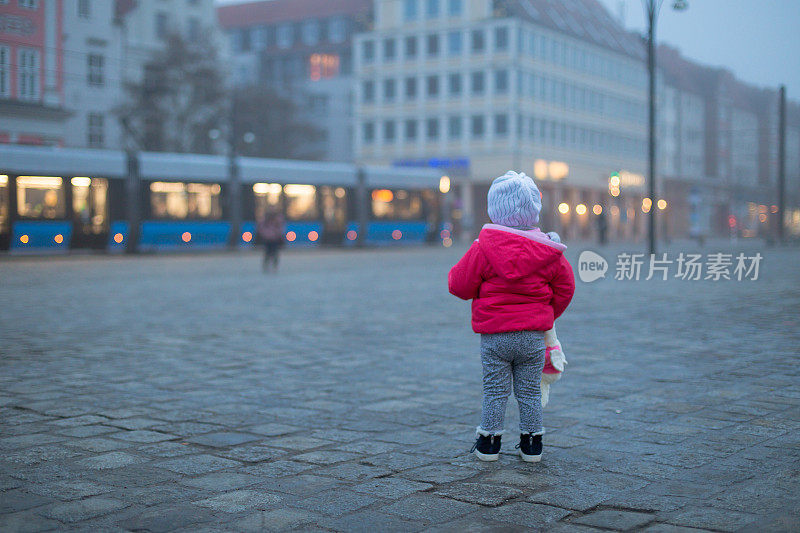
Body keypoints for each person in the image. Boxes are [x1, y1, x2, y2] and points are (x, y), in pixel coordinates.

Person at [448, 171, 575, 463]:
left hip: (495, 336)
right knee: (529, 392)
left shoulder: (483, 247)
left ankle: (489, 444)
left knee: (494, 391)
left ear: (495, 208)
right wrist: (545, 314)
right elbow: (566, 287)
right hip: (531, 337)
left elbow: (459, 285)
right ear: (534, 209)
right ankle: (532, 446)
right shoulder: (548, 250)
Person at [257, 208, 285, 272]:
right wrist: (265, 235)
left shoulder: (277, 221)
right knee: (267, 253)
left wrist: (278, 235)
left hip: (275, 240)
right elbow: (261, 229)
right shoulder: (264, 222)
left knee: (275, 253)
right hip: (267, 240)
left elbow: (281, 229)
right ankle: (266, 266)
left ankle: (274, 266)